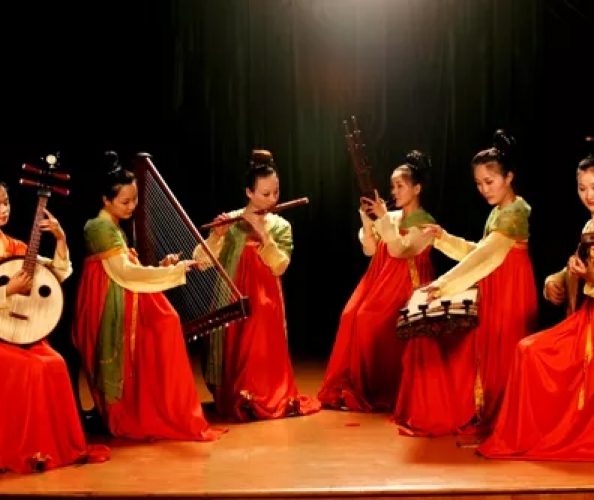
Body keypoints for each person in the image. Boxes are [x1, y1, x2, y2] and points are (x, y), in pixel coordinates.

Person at [72, 151, 223, 441]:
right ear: (106, 200)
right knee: (165, 324)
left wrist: (163, 267)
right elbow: (123, 272)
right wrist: (172, 272)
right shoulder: (99, 226)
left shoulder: (112, 225)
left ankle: (153, 408)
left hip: (121, 291)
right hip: (108, 300)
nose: (132, 206)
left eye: (135, 200)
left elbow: (126, 270)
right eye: (125, 201)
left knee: (166, 322)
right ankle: (139, 412)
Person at [401, 130, 538, 436]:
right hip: (496, 282)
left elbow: (485, 256)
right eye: (479, 183)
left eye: (490, 181)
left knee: (501, 352)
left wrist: (443, 285)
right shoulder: (500, 211)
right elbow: (480, 252)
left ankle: (504, 416)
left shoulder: (516, 212)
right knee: (487, 352)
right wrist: (443, 238)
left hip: (510, 288)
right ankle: (490, 412)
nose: (484, 189)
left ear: (509, 177)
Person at [478, 152, 594, 460]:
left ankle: (551, 432)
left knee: (532, 353)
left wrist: (588, 276)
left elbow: (589, 272)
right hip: (585, 318)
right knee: (527, 350)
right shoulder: (589, 226)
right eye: (582, 188)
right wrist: (555, 280)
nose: (588, 195)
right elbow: (576, 266)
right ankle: (529, 432)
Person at [194, 149, 320, 421]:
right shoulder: (231, 220)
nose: (272, 199)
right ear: (249, 192)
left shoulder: (281, 226)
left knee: (258, 343)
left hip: (264, 301)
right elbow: (201, 262)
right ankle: (236, 396)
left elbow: (280, 266)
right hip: (231, 296)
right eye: (265, 194)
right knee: (231, 349)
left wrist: (262, 233)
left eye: (276, 192)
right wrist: (216, 236)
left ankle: (260, 397)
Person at [0, 181, 109, 473]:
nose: (3, 209)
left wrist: (61, 240)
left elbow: (57, 273)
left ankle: (52, 446)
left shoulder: (17, 247)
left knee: (55, 363)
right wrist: (7, 290)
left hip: (18, 333)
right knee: (31, 368)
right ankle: (24, 448)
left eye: (6, 202)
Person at [317, 150, 435, 412]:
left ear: (417, 188)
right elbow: (370, 250)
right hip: (379, 279)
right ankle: (353, 385)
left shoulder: (426, 224)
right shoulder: (391, 217)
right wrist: (367, 217)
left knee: (367, 320)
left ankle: (374, 388)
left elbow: (399, 250)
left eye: (400, 186)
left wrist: (382, 217)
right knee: (350, 316)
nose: (394, 191)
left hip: (405, 282)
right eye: (392, 186)